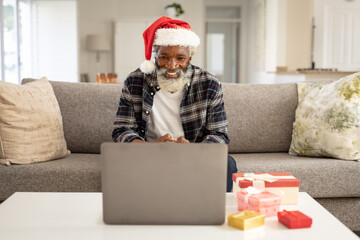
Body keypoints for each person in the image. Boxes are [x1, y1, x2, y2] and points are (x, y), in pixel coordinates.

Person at [112, 16, 237, 192]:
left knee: (227, 164)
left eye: (180, 58)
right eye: (164, 57)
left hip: (194, 154)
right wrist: (148, 148)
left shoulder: (209, 84)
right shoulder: (135, 81)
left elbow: (219, 134)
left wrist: (194, 152)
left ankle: (213, 215)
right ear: (154, 56)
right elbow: (122, 130)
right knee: (119, 162)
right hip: (147, 153)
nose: (172, 65)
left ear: (190, 57)